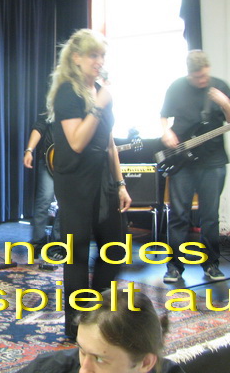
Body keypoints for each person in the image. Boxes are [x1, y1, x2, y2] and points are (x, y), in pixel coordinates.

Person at [46, 29, 132, 339]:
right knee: (78, 252)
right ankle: (76, 326)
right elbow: (77, 142)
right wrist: (98, 106)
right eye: (93, 55)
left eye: (102, 56)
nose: (99, 61)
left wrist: (120, 183)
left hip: (104, 179)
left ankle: (97, 314)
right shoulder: (67, 93)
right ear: (76, 58)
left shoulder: (98, 90)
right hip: (75, 182)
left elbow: (109, 143)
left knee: (115, 248)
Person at [160, 50, 230, 283]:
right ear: (189, 74)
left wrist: (225, 104)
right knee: (179, 215)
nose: (202, 80)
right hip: (183, 161)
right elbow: (163, 116)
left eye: (205, 75)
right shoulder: (177, 87)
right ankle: (174, 267)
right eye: (198, 77)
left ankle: (211, 264)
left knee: (210, 216)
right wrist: (166, 132)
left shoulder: (220, 87)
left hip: (213, 161)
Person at [17, 288, 186, 373]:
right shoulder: (47, 369)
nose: (84, 370)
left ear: (145, 363)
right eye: (82, 351)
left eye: (99, 359)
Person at [23, 113, 62, 259]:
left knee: (65, 204)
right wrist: (29, 150)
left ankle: (56, 245)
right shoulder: (51, 109)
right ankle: (37, 242)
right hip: (48, 161)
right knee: (44, 200)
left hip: (70, 164)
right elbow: (38, 128)